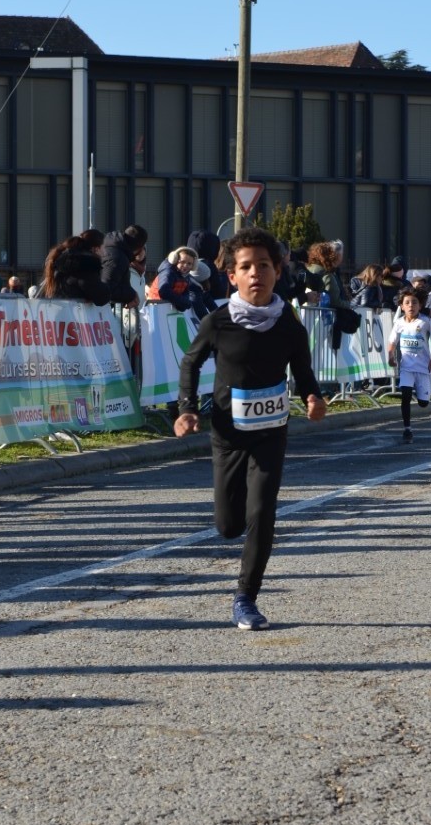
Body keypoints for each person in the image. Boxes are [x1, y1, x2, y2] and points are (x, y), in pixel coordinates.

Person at [174, 226, 326, 631]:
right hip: (229, 434)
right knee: (229, 526)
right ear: (233, 276)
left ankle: (246, 598)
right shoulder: (219, 321)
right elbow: (191, 363)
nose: (255, 272)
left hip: (271, 432)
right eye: (246, 267)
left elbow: (303, 371)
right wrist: (187, 409)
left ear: (277, 271)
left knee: (262, 511)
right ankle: (237, 530)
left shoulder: (289, 325)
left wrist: (313, 397)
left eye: (264, 265)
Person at [387, 289, 431, 443]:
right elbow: (392, 342)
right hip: (406, 367)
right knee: (405, 396)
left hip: (423, 367)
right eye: (407, 303)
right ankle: (407, 430)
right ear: (402, 306)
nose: (411, 305)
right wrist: (391, 357)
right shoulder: (399, 323)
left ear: (420, 305)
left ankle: (422, 392)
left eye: (414, 302)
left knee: (423, 403)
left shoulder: (425, 321)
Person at [43, 241, 110, 305]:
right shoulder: (82, 272)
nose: (104, 252)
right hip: (74, 312)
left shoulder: (56, 271)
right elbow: (101, 298)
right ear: (95, 249)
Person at [100, 225, 147, 307]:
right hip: (96, 310)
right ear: (139, 248)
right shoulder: (118, 257)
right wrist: (131, 295)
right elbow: (106, 290)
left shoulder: (112, 246)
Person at [147, 246, 200, 311]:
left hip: (165, 306)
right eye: (182, 262)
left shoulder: (185, 276)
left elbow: (185, 292)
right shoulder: (168, 272)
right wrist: (182, 302)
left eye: (189, 264)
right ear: (175, 260)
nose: (185, 266)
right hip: (155, 306)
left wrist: (183, 304)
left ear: (193, 265)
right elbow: (164, 291)